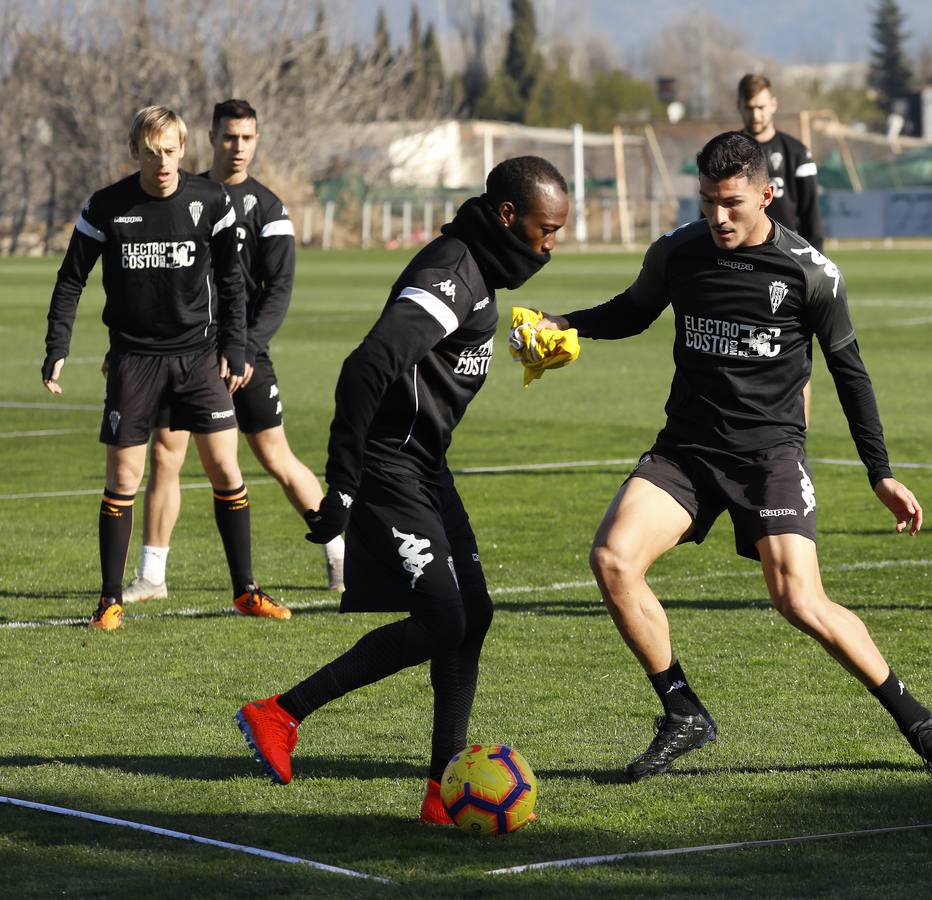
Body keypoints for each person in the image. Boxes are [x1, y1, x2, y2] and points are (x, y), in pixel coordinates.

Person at [538, 131, 932, 781]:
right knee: (612, 558)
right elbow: (632, 313)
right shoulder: (677, 252)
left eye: (732, 203)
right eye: (708, 201)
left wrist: (879, 473)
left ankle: (917, 720)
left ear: (766, 195)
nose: (717, 216)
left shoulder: (809, 272)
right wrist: (564, 323)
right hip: (685, 450)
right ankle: (682, 712)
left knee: (798, 600)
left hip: (768, 454)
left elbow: (849, 373)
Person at [233, 157, 570, 823]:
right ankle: (278, 714)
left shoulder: (477, 274)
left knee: (472, 617)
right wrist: (344, 483)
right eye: (545, 229)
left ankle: (440, 792)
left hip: (425, 467)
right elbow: (366, 367)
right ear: (508, 216)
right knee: (443, 617)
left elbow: (437, 360)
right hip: (387, 466)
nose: (550, 245)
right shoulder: (450, 274)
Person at [42, 105, 287, 631]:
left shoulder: (209, 200)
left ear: (183, 150)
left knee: (226, 468)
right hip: (134, 361)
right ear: (136, 152)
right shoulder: (107, 207)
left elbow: (231, 283)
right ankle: (110, 601)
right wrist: (57, 344)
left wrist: (236, 347)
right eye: (152, 153)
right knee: (125, 477)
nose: (163, 163)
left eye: (171, 152)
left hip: (199, 359)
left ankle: (245, 591)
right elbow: (70, 281)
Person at [122, 99, 344, 603]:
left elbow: (279, 289)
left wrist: (243, 349)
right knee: (166, 455)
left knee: (275, 456)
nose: (237, 147)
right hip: (186, 352)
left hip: (244, 353)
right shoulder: (186, 194)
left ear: (256, 140)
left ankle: (340, 557)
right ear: (211, 138)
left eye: (246, 138)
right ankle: (152, 576)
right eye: (228, 138)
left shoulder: (268, 208)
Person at [737, 73, 824, 251]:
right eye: (749, 107)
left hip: (785, 251)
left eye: (761, 107)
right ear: (739, 106)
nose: (755, 115)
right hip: (740, 252)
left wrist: (816, 262)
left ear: (773, 105)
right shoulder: (728, 152)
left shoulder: (797, 153)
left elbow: (810, 216)